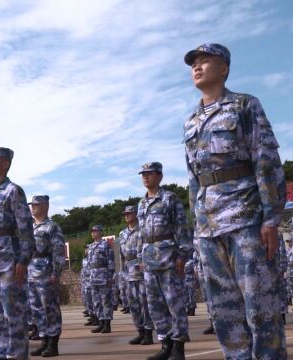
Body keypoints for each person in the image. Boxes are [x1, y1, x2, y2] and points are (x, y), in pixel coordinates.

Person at [183, 43, 287, 359]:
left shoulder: (244, 105)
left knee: (260, 304)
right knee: (223, 309)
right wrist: (195, 227)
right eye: (193, 64)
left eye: (205, 61)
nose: (197, 67)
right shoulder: (190, 121)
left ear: (224, 68)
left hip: (246, 218)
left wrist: (271, 218)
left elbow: (267, 161)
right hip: (208, 227)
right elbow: (193, 179)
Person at [0, 147, 35, 360]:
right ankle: (0, 355)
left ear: (6, 163)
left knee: (14, 315)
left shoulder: (13, 191)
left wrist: (23, 260)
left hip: (9, 263)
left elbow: (25, 229)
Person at [137, 162, 192, 360]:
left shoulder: (170, 198)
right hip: (149, 258)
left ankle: (178, 346)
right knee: (154, 305)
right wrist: (139, 257)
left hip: (168, 257)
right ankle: (165, 343)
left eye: (149, 174)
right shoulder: (141, 203)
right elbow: (141, 235)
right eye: (143, 174)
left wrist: (183, 253)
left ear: (159, 176)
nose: (145, 177)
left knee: (174, 303)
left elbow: (181, 227)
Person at [27, 195, 66, 357]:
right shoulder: (31, 228)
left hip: (46, 272)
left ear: (45, 206)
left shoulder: (52, 227)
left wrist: (56, 272)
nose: (32, 207)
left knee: (49, 309)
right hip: (31, 273)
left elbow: (58, 251)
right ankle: (44, 340)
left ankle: (53, 343)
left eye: (36, 204)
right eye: (32, 205)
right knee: (36, 309)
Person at [118, 206, 154, 346]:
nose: (126, 216)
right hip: (128, 270)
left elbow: (146, 250)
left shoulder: (142, 231)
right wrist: (122, 271)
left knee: (144, 302)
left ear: (136, 214)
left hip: (140, 269)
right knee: (133, 304)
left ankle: (148, 333)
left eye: (129, 213)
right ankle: (139, 331)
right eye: (125, 214)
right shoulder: (122, 234)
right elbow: (121, 255)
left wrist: (145, 266)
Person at [87, 225, 115, 334]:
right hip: (93, 277)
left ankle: (107, 324)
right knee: (96, 301)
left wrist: (109, 277)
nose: (93, 233)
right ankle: (101, 322)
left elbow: (111, 262)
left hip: (103, 276)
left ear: (101, 232)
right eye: (92, 231)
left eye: (95, 231)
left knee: (105, 301)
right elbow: (89, 264)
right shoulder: (90, 246)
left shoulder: (105, 245)